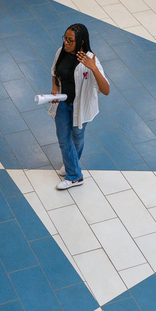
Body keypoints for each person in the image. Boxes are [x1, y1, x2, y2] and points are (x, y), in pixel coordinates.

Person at [50, 23, 110, 190]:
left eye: (70, 41)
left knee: (77, 137)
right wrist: (55, 89)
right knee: (63, 139)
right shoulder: (61, 52)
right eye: (65, 39)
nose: (66, 44)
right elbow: (55, 72)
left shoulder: (91, 61)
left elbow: (106, 90)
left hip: (81, 108)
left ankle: (71, 165)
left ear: (81, 42)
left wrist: (94, 69)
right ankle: (75, 176)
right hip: (63, 103)